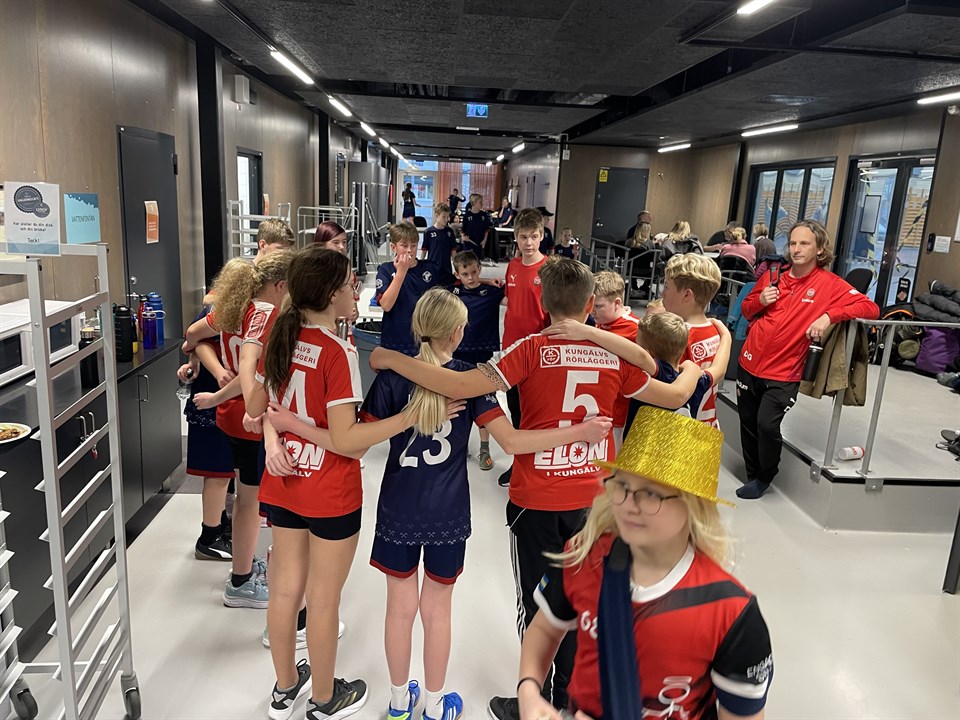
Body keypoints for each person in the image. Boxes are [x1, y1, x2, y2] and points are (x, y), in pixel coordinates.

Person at [368, 259, 704, 719]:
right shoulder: (613, 355)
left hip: (536, 499)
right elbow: (674, 394)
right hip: (592, 501)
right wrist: (699, 365)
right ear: (591, 303)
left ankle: (534, 699)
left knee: (536, 603)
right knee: (581, 598)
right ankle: (566, 697)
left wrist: (390, 358)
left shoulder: (529, 348)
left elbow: (463, 383)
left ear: (543, 303)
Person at [359, 288, 612, 720]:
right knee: (438, 611)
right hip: (448, 513)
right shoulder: (472, 380)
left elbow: (361, 442)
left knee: (398, 610)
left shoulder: (391, 377)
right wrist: (579, 433)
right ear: (458, 332)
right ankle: (436, 705)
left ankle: (399, 703)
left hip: (397, 509)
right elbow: (511, 442)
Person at [517, 407, 774, 720]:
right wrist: (529, 690)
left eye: (651, 494)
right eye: (623, 486)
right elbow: (545, 630)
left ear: (693, 505)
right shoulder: (584, 556)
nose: (629, 504)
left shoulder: (731, 614)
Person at [258, 247, 421, 720]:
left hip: (286, 480)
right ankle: (325, 698)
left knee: (285, 592)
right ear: (331, 295)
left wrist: (278, 433)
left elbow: (265, 408)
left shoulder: (282, 338)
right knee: (324, 599)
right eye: (351, 284)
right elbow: (348, 443)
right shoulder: (338, 352)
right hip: (329, 491)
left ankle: (285, 688)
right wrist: (406, 417)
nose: (356, 291)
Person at [182, 250, 294, 609]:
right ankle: (241, 580)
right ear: (280, 285)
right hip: (247, 414)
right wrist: (220, 394)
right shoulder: (267, 315)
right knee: (249, 500)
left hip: (229, 415)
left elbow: (193, 335)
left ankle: (244, 565)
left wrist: (196, 356)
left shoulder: (234, 308)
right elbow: (254, 372)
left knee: (246, 495)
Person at [736, 220, 879, 499]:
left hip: (784, 372)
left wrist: (828, 316)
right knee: (748, 421)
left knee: (766, 424)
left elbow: (870, 307)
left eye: (804, 243)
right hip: (749, 362)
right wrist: (760, 300)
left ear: (820, 249)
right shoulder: (774, 275)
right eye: (792, 243)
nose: (796, 249)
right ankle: (753, 474)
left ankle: (765, 475)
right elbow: (747, 310)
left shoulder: (829, 284)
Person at [496, 208, 550, 488]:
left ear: (542, 236)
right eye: (523, 237)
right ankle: (519, 464)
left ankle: (534, 465)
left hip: (538, 351)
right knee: (515, 410)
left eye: (534, 236)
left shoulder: (549, 269)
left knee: (536, 413)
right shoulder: (513, 266)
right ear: (515, 237)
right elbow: (511, 301)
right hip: (511, 350)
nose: (528, 242)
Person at [177, 310, 236, 562]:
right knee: (218, 471)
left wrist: (194, 360)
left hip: (221, 395)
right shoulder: (222, 312)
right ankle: (209, 537)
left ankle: (219, 524)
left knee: (224, 471)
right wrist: (214, 369)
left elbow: (194, 344)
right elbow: (193, 338)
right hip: (214, 397)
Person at [451, 251, 505, 471]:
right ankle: (459, 445)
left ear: (480, 269)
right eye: (465, 274)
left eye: (475, 272)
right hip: (457, 354)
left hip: (482, 355)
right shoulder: (451, 293)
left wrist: (487, 282)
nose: (471, 277)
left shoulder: (492, 292)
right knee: (458, 402)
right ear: (458, 275)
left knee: (485, 400)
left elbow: (512, 295)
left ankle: (484, 447)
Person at [377, 222, 444, 356]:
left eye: (413, 245)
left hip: (424, 340)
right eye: (404, 246)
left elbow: (459, 282)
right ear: (393, 247)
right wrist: (401, 272)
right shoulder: (386, 270)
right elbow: (386, 305)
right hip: (395, 338)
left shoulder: (431, 268)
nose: (409, 250)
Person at [591, 271, 640, 449]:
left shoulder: (637, 330)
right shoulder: (599, 323)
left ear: (617, 303)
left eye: (598, 306)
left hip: (621, 413)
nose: (592, 311)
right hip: (598, 407)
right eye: (590, 304)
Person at [420, 203, 457, 283]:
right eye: (443, 217)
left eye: (447, 217)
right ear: (437, 216)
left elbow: (453, 251)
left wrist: (457, 267)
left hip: (446, 267)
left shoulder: (449, 232)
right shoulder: (428, 232)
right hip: (432, 266)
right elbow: (424, 251)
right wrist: (420, 266)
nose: (446, 219)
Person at [461, 194, 493, 263]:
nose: (482, 204)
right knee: (468, 262)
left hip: (479, 243)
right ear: (474, 203)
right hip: (469, 243)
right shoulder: (467, 215)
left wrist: (484, 240)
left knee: (477, 262)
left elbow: (486, 229)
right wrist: (463, 237)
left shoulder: (483, 215)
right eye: (480, 202)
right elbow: (463, 229)